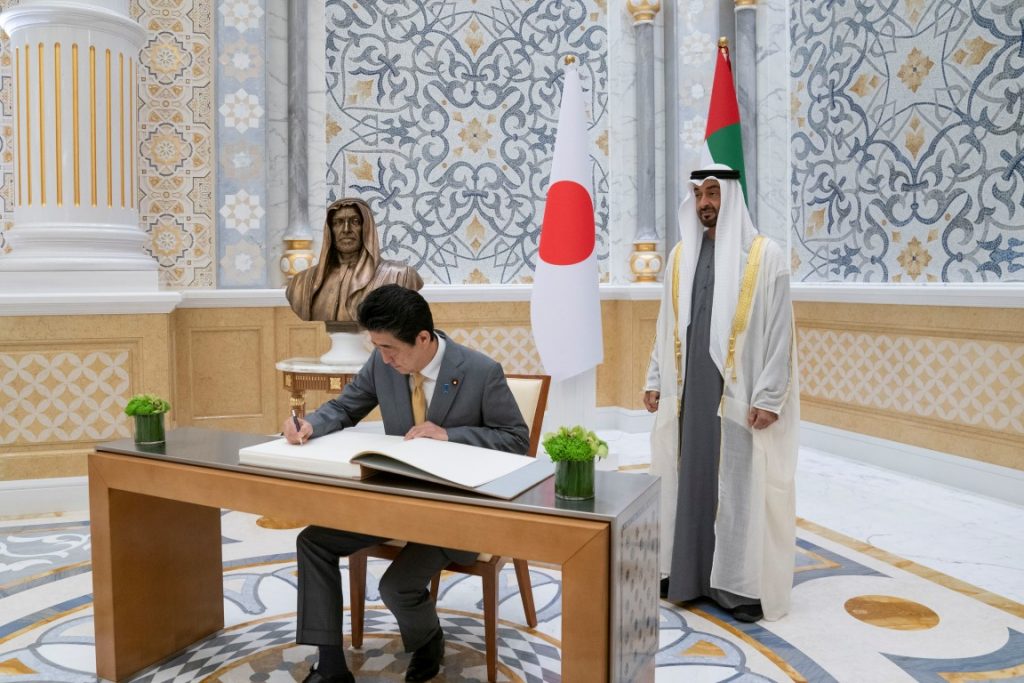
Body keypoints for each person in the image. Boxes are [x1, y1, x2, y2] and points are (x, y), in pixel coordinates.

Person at [284, 284, 530, 683]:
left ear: (423, 337)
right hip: (396, 500)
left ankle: (429, 640)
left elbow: (516, 440)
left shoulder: (482, 372)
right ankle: (329, 665)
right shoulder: (383, 363)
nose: (383, 358)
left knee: (396, 586)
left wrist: (451, 435)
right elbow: (347, 406)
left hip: (454, 511)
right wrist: (311, 423)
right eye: (377, 348)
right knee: (312, 540)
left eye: (390, 349)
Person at [644, 163, 799, 623]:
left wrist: (770, 396)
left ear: (730, 196)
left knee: (739, 481)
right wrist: (655, 378)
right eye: (698, 195)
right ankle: (683, 573)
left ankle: (737, 585)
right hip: (689, 392)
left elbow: (779, 333)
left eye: (713, 193)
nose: (705, 203)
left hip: (739, 393)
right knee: (687, 475)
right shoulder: (680, 255)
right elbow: (665, 325)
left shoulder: (764, 256)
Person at [286, 197, 423, 322]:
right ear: (330, 230)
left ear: (367, 228)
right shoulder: (301, 283)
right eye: (338, 222)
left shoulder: (400, 276)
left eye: (355, 221)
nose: (346, 229)